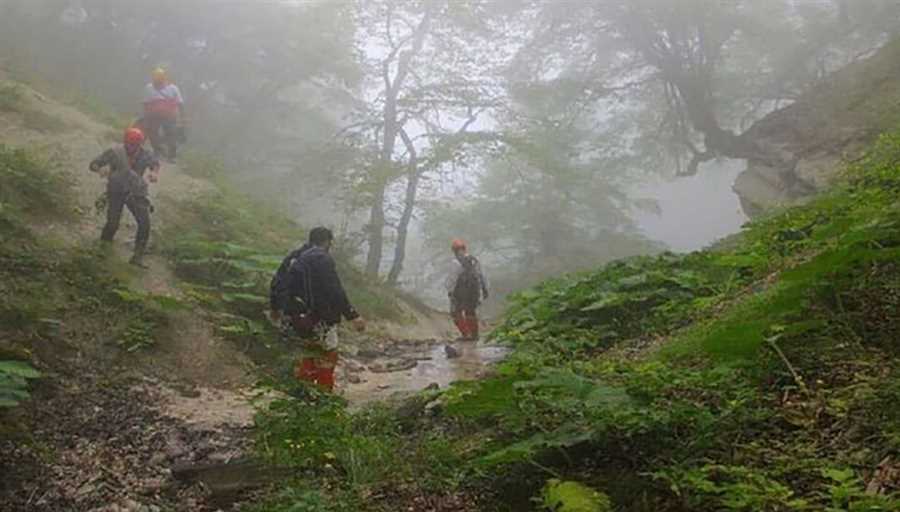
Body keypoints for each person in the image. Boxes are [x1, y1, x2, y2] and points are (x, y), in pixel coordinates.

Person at [270, 227, 365, 391]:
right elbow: (334, 289)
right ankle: (324, 395)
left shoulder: (294, 256)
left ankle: (304, 393)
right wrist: (352, 315)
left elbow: (277, 282)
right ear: (328, 242)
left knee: (306, 353)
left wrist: (275, 307)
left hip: (294, 316)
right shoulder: (321, 258)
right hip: (319, 316)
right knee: (328, 353)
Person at [89, 128, 160, 268]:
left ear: (140, 144)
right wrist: (100, 169)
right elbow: (94, 164)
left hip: (136, 192)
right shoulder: (115, 152)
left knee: (144, 224)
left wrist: (154, 173)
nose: (132, 147)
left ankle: (138, 256)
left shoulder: (145, 155)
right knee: (113, 223)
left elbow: (155, 164)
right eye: (130, 143)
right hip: (116, 191)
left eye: (135, 144)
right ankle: (103, 249)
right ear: (125, 141)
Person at [445, 239, 489, 341]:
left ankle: (466, 334)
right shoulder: (474, 260)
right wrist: (485, 289)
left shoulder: (455, 262)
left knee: (455, 312)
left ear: (454, 251)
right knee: (471, 312)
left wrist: (450, 291)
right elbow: (481, 275)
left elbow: (452, 278)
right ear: (464, 248)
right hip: (474, 291)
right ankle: (475, 335)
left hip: (459, 292)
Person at [139, 67, 185, 163]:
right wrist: (145, 116)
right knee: (152, 132)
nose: (158, 83)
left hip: (170, 116)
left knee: (171, 134)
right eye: (156, 81)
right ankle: (158, 151)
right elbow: (145, 103)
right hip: (154, 115)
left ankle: (172, 156)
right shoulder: (149, 88)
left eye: (159, 81)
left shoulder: (173, 88)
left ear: (164, 79)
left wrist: (182, 116)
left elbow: (180, 103)